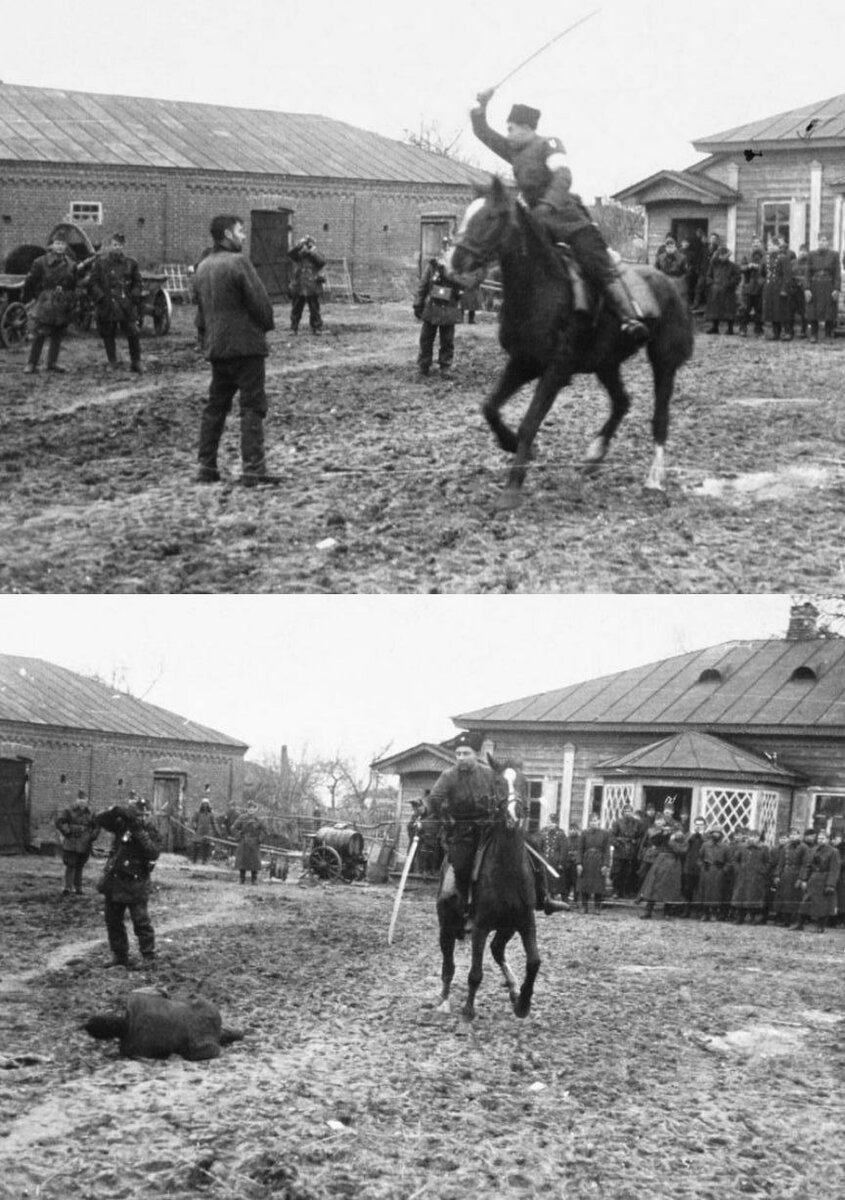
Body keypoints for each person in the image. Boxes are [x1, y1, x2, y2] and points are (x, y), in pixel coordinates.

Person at [470, 88, 647, 344]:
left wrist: (547, 206)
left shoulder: (549, 144)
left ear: (526, 128)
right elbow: (483, 133)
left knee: (594, 260)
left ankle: (628, 316)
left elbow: (563, 176)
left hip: (567, 218)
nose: (507, 135)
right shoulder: (514, 151)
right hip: (535, 222)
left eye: (511, 129)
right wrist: (481, 106)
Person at [194, 214, 277, 487]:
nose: (243, 236)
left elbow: (200, 314)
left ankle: (206, 467)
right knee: (253, 406)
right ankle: (253, 469)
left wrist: (208, 340)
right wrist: (265, 327)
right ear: (228, 234)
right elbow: (261, 304)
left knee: (215, 407)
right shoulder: (239, 262)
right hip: (246, 348)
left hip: (218, 349)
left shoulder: (203, 266)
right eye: (241, 232)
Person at [424, 732, 497, 926]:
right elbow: (434, 799)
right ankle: (467, 908)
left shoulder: (489, 774)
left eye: (466, 753)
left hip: (489, 830)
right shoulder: (449, 776)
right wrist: (435, 813)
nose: (461, 758)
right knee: (462, 866)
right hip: (462, 833)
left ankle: (541, 898)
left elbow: (500, 797)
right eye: (458, 754)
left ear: (476, 754)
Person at [84, 987, 243, 1061]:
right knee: (182, 1012)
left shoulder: (130, 1048)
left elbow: (162, 1053)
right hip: (206, 1011)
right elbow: (165, 992)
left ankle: (228, 1035)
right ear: (111, 1016)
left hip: (200, 1045)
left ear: (107, 1038)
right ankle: (234, 1033)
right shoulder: (136, 998)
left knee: (183, 1037)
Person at [94, 794, 161, 968]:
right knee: (113, 920)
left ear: (150, 815)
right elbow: (100, 819)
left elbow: (152, 852)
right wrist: (116, 810)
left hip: (136, 882)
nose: (142, 818)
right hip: (116, 881)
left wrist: (138, 831)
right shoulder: (122, 826)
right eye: (139, 814)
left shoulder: (151, 831)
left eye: (146, 815)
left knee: (141, 922)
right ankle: (120, 955)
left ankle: (149, 957)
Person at [86, 233, 144, 372]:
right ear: (110, 246)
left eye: (119, 245)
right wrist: (100, 297)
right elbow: (93, 283)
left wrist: (134, 296)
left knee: (133, 332)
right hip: (108, 304)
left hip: (125, 304)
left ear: (123, 246)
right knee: (108, 333)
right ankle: (112, 362)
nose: (116, 247)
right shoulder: (101, 264)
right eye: (114, 245)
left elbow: (138, 282)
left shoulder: (131, 263)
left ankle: (136, 362)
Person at [22, 231, 77, 374]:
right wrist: (39, 296)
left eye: (62, 244)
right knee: (40, 332)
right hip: (46, 301)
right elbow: (30, 282)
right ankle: (31, 363)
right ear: (52, 245)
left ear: (66, 246)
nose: (59, 247)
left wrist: (68, 297)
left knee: (58, 332)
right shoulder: (40, 262)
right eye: (57, 243)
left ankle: (52, 362)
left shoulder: (71, 265)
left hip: (62, 301)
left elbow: (73, 284)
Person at [413, 237, 461, 379]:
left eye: (449, 248)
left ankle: (445, 367)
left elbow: (461, 289)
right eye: (444, 247)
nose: (446, 250)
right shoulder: (432, 266)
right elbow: (422, 286)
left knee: (447, 340)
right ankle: (424, 366)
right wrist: (418, 303)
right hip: (432, 308)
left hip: (449, 309)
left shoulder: (457, 269)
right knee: (426, 338)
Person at [796, 828, 840, 933]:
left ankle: (820, 926)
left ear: (828, 839)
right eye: (819, 838)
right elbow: (808, 866)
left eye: (823, 838)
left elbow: (834, 869)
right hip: (813, 879)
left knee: (822, 905)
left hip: (824, 879)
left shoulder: (834, 851)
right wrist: (804, 879)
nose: (820, 840)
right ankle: (799, 924)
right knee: (805, 902)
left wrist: (830, 884)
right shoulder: (813, 850)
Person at [55, 788, 98, 894]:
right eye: (80, 800)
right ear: (77, 800)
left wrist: (92, 836)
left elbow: (97, 826)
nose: (82, 802)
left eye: (84, 800)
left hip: (84, 842)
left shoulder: (91, 812)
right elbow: (59, 822)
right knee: (70, 864)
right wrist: (67, 831)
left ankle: (78, 887)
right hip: (72, 840)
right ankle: (68, 887)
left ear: (87, 801)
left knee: (80, 864)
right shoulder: (69, 810)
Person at [638, 823, 686, 918]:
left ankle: (667, 912)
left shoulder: (680, 838)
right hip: (660, 862)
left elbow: (681, 851)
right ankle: (648, 911)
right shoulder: (662, 836)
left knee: (669, 887)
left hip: (673, 863)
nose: (667, 831)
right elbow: (654, 841)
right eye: (665, 828)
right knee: (653, 885)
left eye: (670, 829)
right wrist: (661, 833)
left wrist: (672, 840)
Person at [730, 829, 772, 924]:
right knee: (741, 896)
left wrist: (762, 870)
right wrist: (738, 870)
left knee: (754, 897)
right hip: (743, 876)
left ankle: (753, 917)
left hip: (756, 877)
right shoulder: (742, 847)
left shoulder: (764, 848)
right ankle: (740, 917)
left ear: (758, 838)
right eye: (750, 836)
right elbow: (735, 860)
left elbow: (769, 862)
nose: (752, 839)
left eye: (755, 837)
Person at [805, 233, 841, 342]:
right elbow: (807, 273)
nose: (822, 242)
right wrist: (806, 288)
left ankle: (829, 334)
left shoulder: (834, 255)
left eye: (824, 240)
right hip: (815, 285)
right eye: (820, 240)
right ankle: (814, 335)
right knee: (813, 310)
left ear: (828, 242)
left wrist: (836, 289)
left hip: (828, 285)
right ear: (818, 242)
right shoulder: (811, 255)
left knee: (829, 309)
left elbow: (837, 273)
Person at [288, 235, 326, 335]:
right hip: (300, 285)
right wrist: (299, 246)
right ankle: (294, 327)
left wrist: (310, 252)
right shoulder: (299, 254)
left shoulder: (315, 253)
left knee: (314, 309)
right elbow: (291, 254)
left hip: (312, 285)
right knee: (296, 308)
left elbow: (322, 261)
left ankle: (316, 327)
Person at [771, 827, 809, 925]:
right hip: (785, 874)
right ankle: (784, 919)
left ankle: (793, 920)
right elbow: (781, 863)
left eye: (795, 834)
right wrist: (777, 875)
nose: (793, 836)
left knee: (794, 898)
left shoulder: (804, 847)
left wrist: (801, 878)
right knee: (783, 897)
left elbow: (805, 865)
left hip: (796, 875)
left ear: (799, 836)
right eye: (791, 835)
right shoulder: (786, 847)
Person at [576, 814, 611, 914]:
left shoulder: (604, 834)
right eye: (591, 821)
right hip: (586, 860)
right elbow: (580, 849)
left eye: (595, 821)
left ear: (599, 821)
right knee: (584, 884)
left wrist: (605, 864)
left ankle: (597, 907)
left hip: (599, 861)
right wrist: (579, 863)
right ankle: (584, 906)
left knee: (598, 885)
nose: (593, 823)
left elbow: (607, 851)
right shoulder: (584, 833)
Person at [762, 236, 794, 341]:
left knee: (783, 311)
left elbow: (787, 275)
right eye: (768, 245)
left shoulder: (783, 258)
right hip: (769, 288)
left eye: (771, 245)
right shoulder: (765, 258)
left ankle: (788, 332)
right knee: (772, 311)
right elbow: (762, 273)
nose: (769, 247)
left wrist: (784, 289)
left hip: (780, 288)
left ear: (777, 246)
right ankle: (776, 333)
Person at [705, 245, 741, 334]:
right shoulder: (714, 265)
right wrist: (711, 284)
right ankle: (715, 327)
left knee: (729, 310)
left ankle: (730, 328)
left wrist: (729, 284)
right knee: (714, 310)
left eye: (723, 255)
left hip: (728, 291)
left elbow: (737, 277)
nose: (721, 257)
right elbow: (708, 275)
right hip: (715, 290)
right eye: (720, 255)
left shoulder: (733, 266)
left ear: (727, 256)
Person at [696, 826, 729, 921]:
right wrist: (702, 866)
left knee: (716, 893)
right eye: (714, 833)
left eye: (718, 833)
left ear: (721, 835)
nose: (716, 835)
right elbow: (699, 858)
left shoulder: (725, 847)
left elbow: (729, 861)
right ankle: (705, 913)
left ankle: (714, 912)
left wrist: (723, 870)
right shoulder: (705, 845)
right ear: (711, 834)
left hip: (718, 872)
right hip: (706, 871)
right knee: (705, 892)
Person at [610, 803, 642, 899]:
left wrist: (635, 843)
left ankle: (625, 892)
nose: (628, 813)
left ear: (632, 812)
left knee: (628, 872)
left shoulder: (637, 823)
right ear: (623, 812)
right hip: (619, 851)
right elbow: (611, 836)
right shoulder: (617, 822)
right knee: (617, 872)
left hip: (631, 851)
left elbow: (640, 837)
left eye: (630, 811)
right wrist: (618, 844)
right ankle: (615, 891)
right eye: (626, 811)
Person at [737, 236, 766, 337]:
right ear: (752, 245)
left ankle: (758, 328)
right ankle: (743, 328)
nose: (756, 245)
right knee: (745, 309)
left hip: (760, 287)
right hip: (748, 286)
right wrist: (748, 266)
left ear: (762, 245)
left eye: (758, 243)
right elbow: (740, 268)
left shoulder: (765, 257)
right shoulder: (747, 256)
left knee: (759, 309)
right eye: (754, 243)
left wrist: (760, 271)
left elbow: (768, 271)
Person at [232, 802, 266, 883]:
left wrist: (259, 839)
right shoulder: (242, 818)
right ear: (246, 809)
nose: (251, 810)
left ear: (255, 809)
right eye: (249, 808)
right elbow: (233, 828)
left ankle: (254, 879)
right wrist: (239, 836)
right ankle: (241, 878)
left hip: (254, 842)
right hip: (244, 841)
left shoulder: (258, 820)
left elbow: (264, 831)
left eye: (253, 808)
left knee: (254, 862)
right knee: (242, 861)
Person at [680, 816, 707, 917]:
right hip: (689, 865)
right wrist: (692, 836)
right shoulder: (689, 835)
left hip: (701, 867)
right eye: (697, 825)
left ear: (704, 826)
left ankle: (698, 911)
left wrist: (700, 835)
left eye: (701, 825)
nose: (698, 827)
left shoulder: (706, 836)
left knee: (699, 889)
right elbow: (683, 847)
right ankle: (686, 910)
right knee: (688, 889)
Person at [693, 232, 720, 313]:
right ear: (710, 239)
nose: (713, 240)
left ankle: (709, 306)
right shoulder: (704, 248)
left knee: (709, 290)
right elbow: (699, 258)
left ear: (717, 240)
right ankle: (695, 304)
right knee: (698, 287)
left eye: (715, 239)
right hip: (703, 272)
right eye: (712, 238)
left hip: (712, 273)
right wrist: (698, 268)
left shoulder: (718, 249)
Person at [191, 790, 219, 865]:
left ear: (208, 805)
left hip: (207, 833)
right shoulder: (198, 813)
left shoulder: (211, 814)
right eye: (204, 804)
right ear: (202, 805)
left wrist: (217, 831)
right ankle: (194, 860)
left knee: (206, 848)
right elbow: (194, 820)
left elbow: (214, 823)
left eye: (206, 804)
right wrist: (194, 826)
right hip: (199, 832)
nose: (205, 806)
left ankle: (204, 860)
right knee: (196, 846)